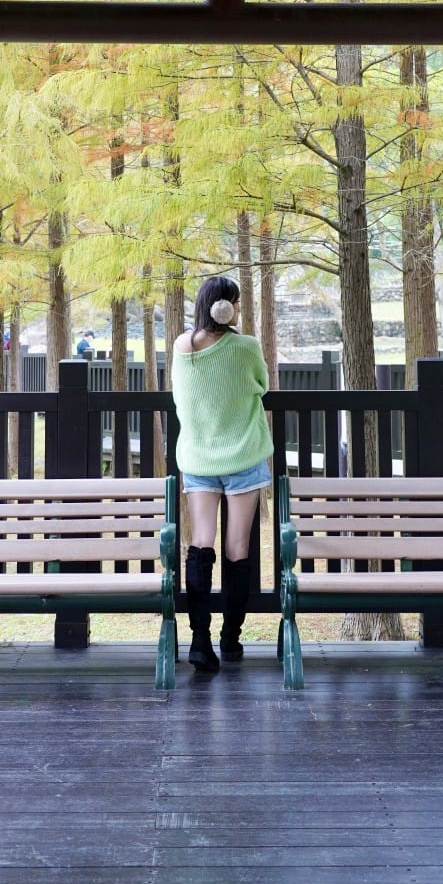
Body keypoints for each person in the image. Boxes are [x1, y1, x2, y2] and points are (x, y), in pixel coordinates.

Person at [171, 274, 272, 674]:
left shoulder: (183, 347)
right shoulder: (246, 347)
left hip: (198, 460)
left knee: (200, 545)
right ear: (229, 307)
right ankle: (230, 638)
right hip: (243, 458)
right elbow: (261, 385)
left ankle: (199, 641)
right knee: (237, 551)